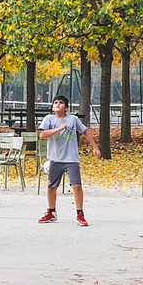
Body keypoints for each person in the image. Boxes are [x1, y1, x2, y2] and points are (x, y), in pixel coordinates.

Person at [38, 94, 101, 226]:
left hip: (71, 159)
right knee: (51, 188)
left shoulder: (73, 119)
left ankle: (80, 214)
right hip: (55, 159)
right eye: (55, 102)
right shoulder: (48, 119)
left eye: (61, 103)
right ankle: (51, 212)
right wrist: (60, 128)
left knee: (77, 186)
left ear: (66, 108)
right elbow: (42, 135)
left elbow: (85, 132)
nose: (57, 104)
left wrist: (95, 147)